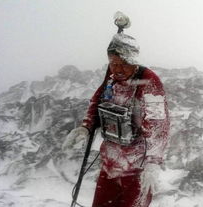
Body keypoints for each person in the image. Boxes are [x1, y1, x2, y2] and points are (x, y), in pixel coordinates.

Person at [63, 12, 170, 207]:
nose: (118, 69)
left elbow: (158, 125)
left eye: (124, 64)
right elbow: (96, 102)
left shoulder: (148, 82)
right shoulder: (111, 80)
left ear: (134, 61)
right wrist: (86, 127)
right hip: (110, 164)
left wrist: (153, 162)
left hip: (137, 168)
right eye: (113, 64)